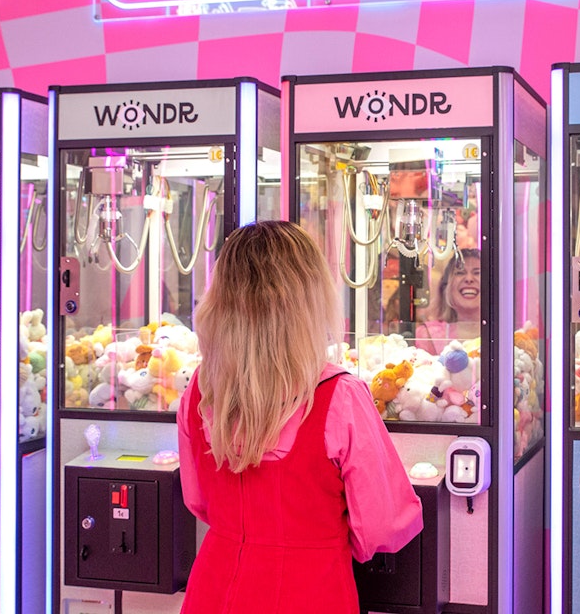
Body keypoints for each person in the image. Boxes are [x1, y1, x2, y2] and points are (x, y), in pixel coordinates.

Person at [177, 221, 423, 613]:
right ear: (308, 299)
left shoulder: (199, 391)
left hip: (213, 588)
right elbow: (384, 525)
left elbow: (199, 501)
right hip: (311, 590)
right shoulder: (339, 396)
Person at [415, 248, 482, 354]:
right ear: (447, 287)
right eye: (460, 272)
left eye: (477, 273)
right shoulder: (427, 335)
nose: (469, 278)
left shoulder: (506, 334)